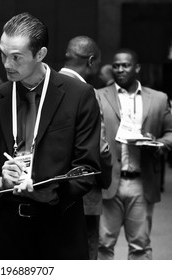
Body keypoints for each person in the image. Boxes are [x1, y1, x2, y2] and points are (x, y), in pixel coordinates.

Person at [0, 12, 101, 259]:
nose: (6, 64)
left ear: (40, 54)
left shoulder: (78, 95)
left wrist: (51, 192)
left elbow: (87, 168)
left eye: (16, 57)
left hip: (59, 229)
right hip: (3, 231)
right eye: (3, 54)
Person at [97, 48, 172, 260]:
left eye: (126, 65)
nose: (120, 69)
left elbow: (170, 131)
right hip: (109, 182)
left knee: (140, 246)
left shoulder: (158, 98)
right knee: (102, 245)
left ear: (137, 68)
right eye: (116, 65)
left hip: (142, 181)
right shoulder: (98, 96)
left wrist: (160, 144)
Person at [59, 35, 112, 260]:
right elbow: (101, 149)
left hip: (48, 188)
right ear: (91, 61)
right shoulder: (86, 92)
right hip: (85, 191)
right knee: (87, 253)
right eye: (97, 63)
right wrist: (107, 177)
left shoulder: (42, 84)